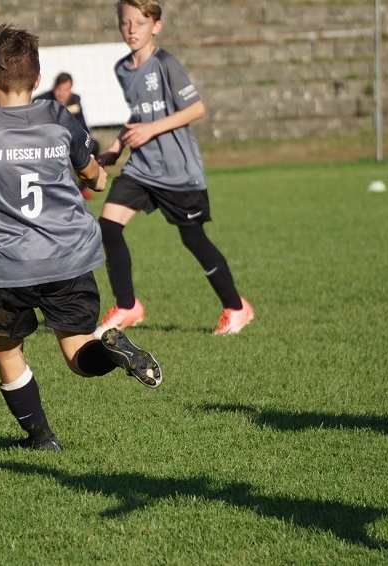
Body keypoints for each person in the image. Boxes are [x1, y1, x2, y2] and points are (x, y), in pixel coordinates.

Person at [0, 23, 162, 451]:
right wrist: (96, 172)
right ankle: (111, 351)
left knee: (6, 350)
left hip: (8, 265)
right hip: (69, 256)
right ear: (37, 80)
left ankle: (41, 438)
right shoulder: (57, 117)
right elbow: (95, 180)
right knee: (79, 355)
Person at [94, 0, 254, 336]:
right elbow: (140, 114)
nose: (132, 29)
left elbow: (196, 109)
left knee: (193, 238)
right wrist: (117, 145)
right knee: (108, 225)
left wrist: (151, 129)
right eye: (125, 22)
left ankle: (236, 308)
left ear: (156, 26)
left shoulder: (165, 64)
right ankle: (127, 306)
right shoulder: (123, 69)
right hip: (142, 167)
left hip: (177, 171)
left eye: (140, 23)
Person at [35, 72, 99, 199]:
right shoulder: (42, 101)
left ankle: (82, 188)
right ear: (54, 88)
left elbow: (83, 126)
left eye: (66, 90)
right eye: (59, 89)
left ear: (71, 90)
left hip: (71, 141)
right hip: (50, 143)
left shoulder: (75, 100)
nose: (62, 93)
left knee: (94, 145)